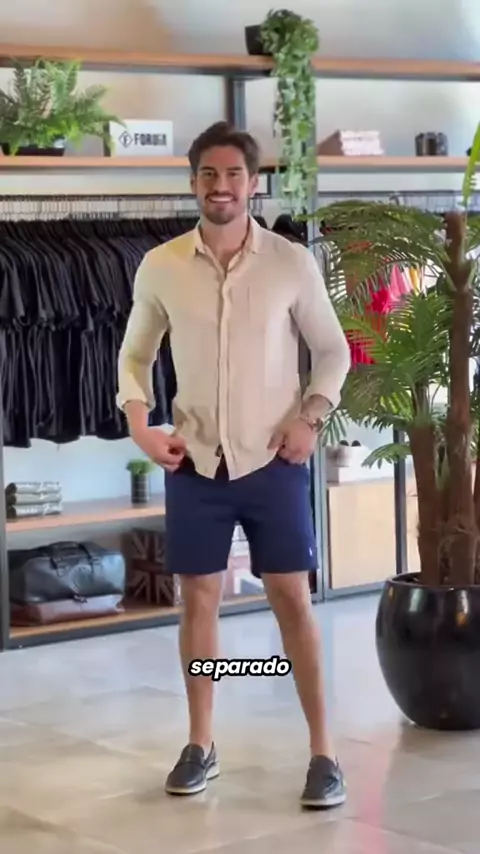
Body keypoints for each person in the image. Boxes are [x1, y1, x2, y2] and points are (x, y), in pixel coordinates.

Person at [117, 121, 351, 809]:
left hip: (274, 460)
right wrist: (140, 425)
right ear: (194, 182)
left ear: (253, 183)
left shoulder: (290, 262)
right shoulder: (160, 265)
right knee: (198, 600)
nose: (221, 187)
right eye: (209, 175)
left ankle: (324, 753)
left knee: (292, 600)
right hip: (194, 463)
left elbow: (332, 351)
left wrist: (310, 418)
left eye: (233, 175)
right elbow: (135, 355)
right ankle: (201, 743)